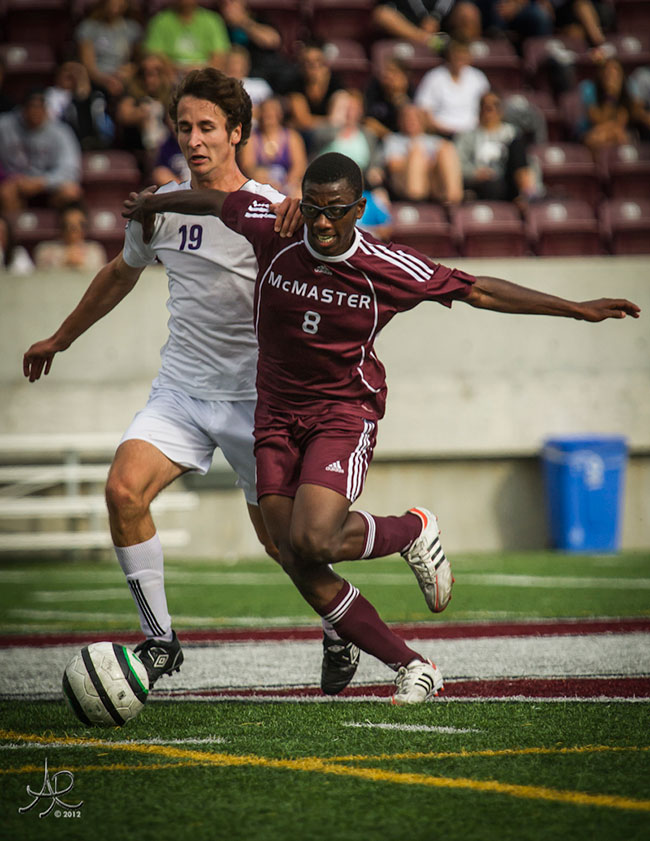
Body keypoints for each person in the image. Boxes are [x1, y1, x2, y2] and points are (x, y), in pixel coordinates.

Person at [120, 151, 640, 703]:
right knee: (293, 552)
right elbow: (217, 201)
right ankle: (413, 663)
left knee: (313, 537)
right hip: (272, 414)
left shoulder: (387, 267)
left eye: (336, 211)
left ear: (360, 209)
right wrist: (156, 202)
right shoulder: (274, 228)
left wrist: (574, 309)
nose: (321, 222)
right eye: (314, 208)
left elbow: (478, 290)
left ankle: (411, 531)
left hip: (343, 414)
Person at [22, 68, 302, 690]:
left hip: (257, 403)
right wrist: (60, 338)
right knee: (124, 492)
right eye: (184, 127)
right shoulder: (159, 207)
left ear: (236, 133)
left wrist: (303, 214)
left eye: (208, 127)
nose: (195, 139)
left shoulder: (272, 211)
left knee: (287, 548)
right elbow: (121, 273)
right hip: (181, 392)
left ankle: (342, 626)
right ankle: (159, 642)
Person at [0, 89, 83, 214]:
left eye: (39, 108)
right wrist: (7, 179)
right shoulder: (4, 126)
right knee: (5, 192)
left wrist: (42, 182)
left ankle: (54, 231)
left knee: (70, 192)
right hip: (14, 183)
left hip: (47, 187)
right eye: (31, 107)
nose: (35, 112)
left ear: (45, 110)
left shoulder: (61, 132)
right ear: (22, 109)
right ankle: (14, 231)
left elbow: (70, 170)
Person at [455, 90, 539, 203]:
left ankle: (527, 193)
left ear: (501, 111)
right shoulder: (467, 136)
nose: (491, 110)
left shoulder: (512, 133)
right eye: (487, 107)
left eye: (495, 106)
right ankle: (526, 196)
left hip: (509, 180)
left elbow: (528, 163)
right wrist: (475, 173)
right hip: (483, 183)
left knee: (516, 144)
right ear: (479, 110)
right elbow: (456, 165)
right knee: (492, 185)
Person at [382, 102, 463, 204]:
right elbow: (393, 165)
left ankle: (453, 199)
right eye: (407, 118)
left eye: (415, 118)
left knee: (447, 149)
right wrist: (418, 162)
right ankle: (417, 200)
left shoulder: (434, 141)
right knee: (416, 156)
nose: (410, 121)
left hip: (433, 181)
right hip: (405, 181)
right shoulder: (393, 140)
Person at [414, 39, 490, 137]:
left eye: (463, 53)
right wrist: (439, 129)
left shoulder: (478, 77)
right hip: (440, 134)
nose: (460, 57)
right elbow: (423, 109)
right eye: (456, 54)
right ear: (449, 55)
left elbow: (488, 104)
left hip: (473, 133)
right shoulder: (434, 77)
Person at [239, 96, 307, 198]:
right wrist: (268, 183)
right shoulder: (251, 139)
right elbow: (248, 166)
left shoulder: (292, 137)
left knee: (298, 195)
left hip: (287, 185)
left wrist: (288, 182)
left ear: (279, 114)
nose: (268, 115)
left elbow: (299, 166)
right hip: (260, 185)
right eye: (265, 111)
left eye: (272, 111)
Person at [75, 0, 143, 102]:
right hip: (97, 78)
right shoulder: (88, 27)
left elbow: (137, 61)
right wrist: (105, 80)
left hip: (122, 78)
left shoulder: (132, 29)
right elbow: (88, 65)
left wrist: (130, 70)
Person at [143, 0, 230, 76]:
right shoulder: (160, 21)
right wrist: (177, 70)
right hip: (171, 75)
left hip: (204, 74)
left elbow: (220, 55)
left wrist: (201, 71)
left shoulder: (212, 20)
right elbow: (155, 53)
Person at [33, 203, 107, 271]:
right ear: (61, 226)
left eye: (80, 225)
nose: (74, 230)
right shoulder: (45, 250)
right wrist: (64, 260)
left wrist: (81, 264)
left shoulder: (95, 250)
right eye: (69, 225)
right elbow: (42, 277)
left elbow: (99, 277)